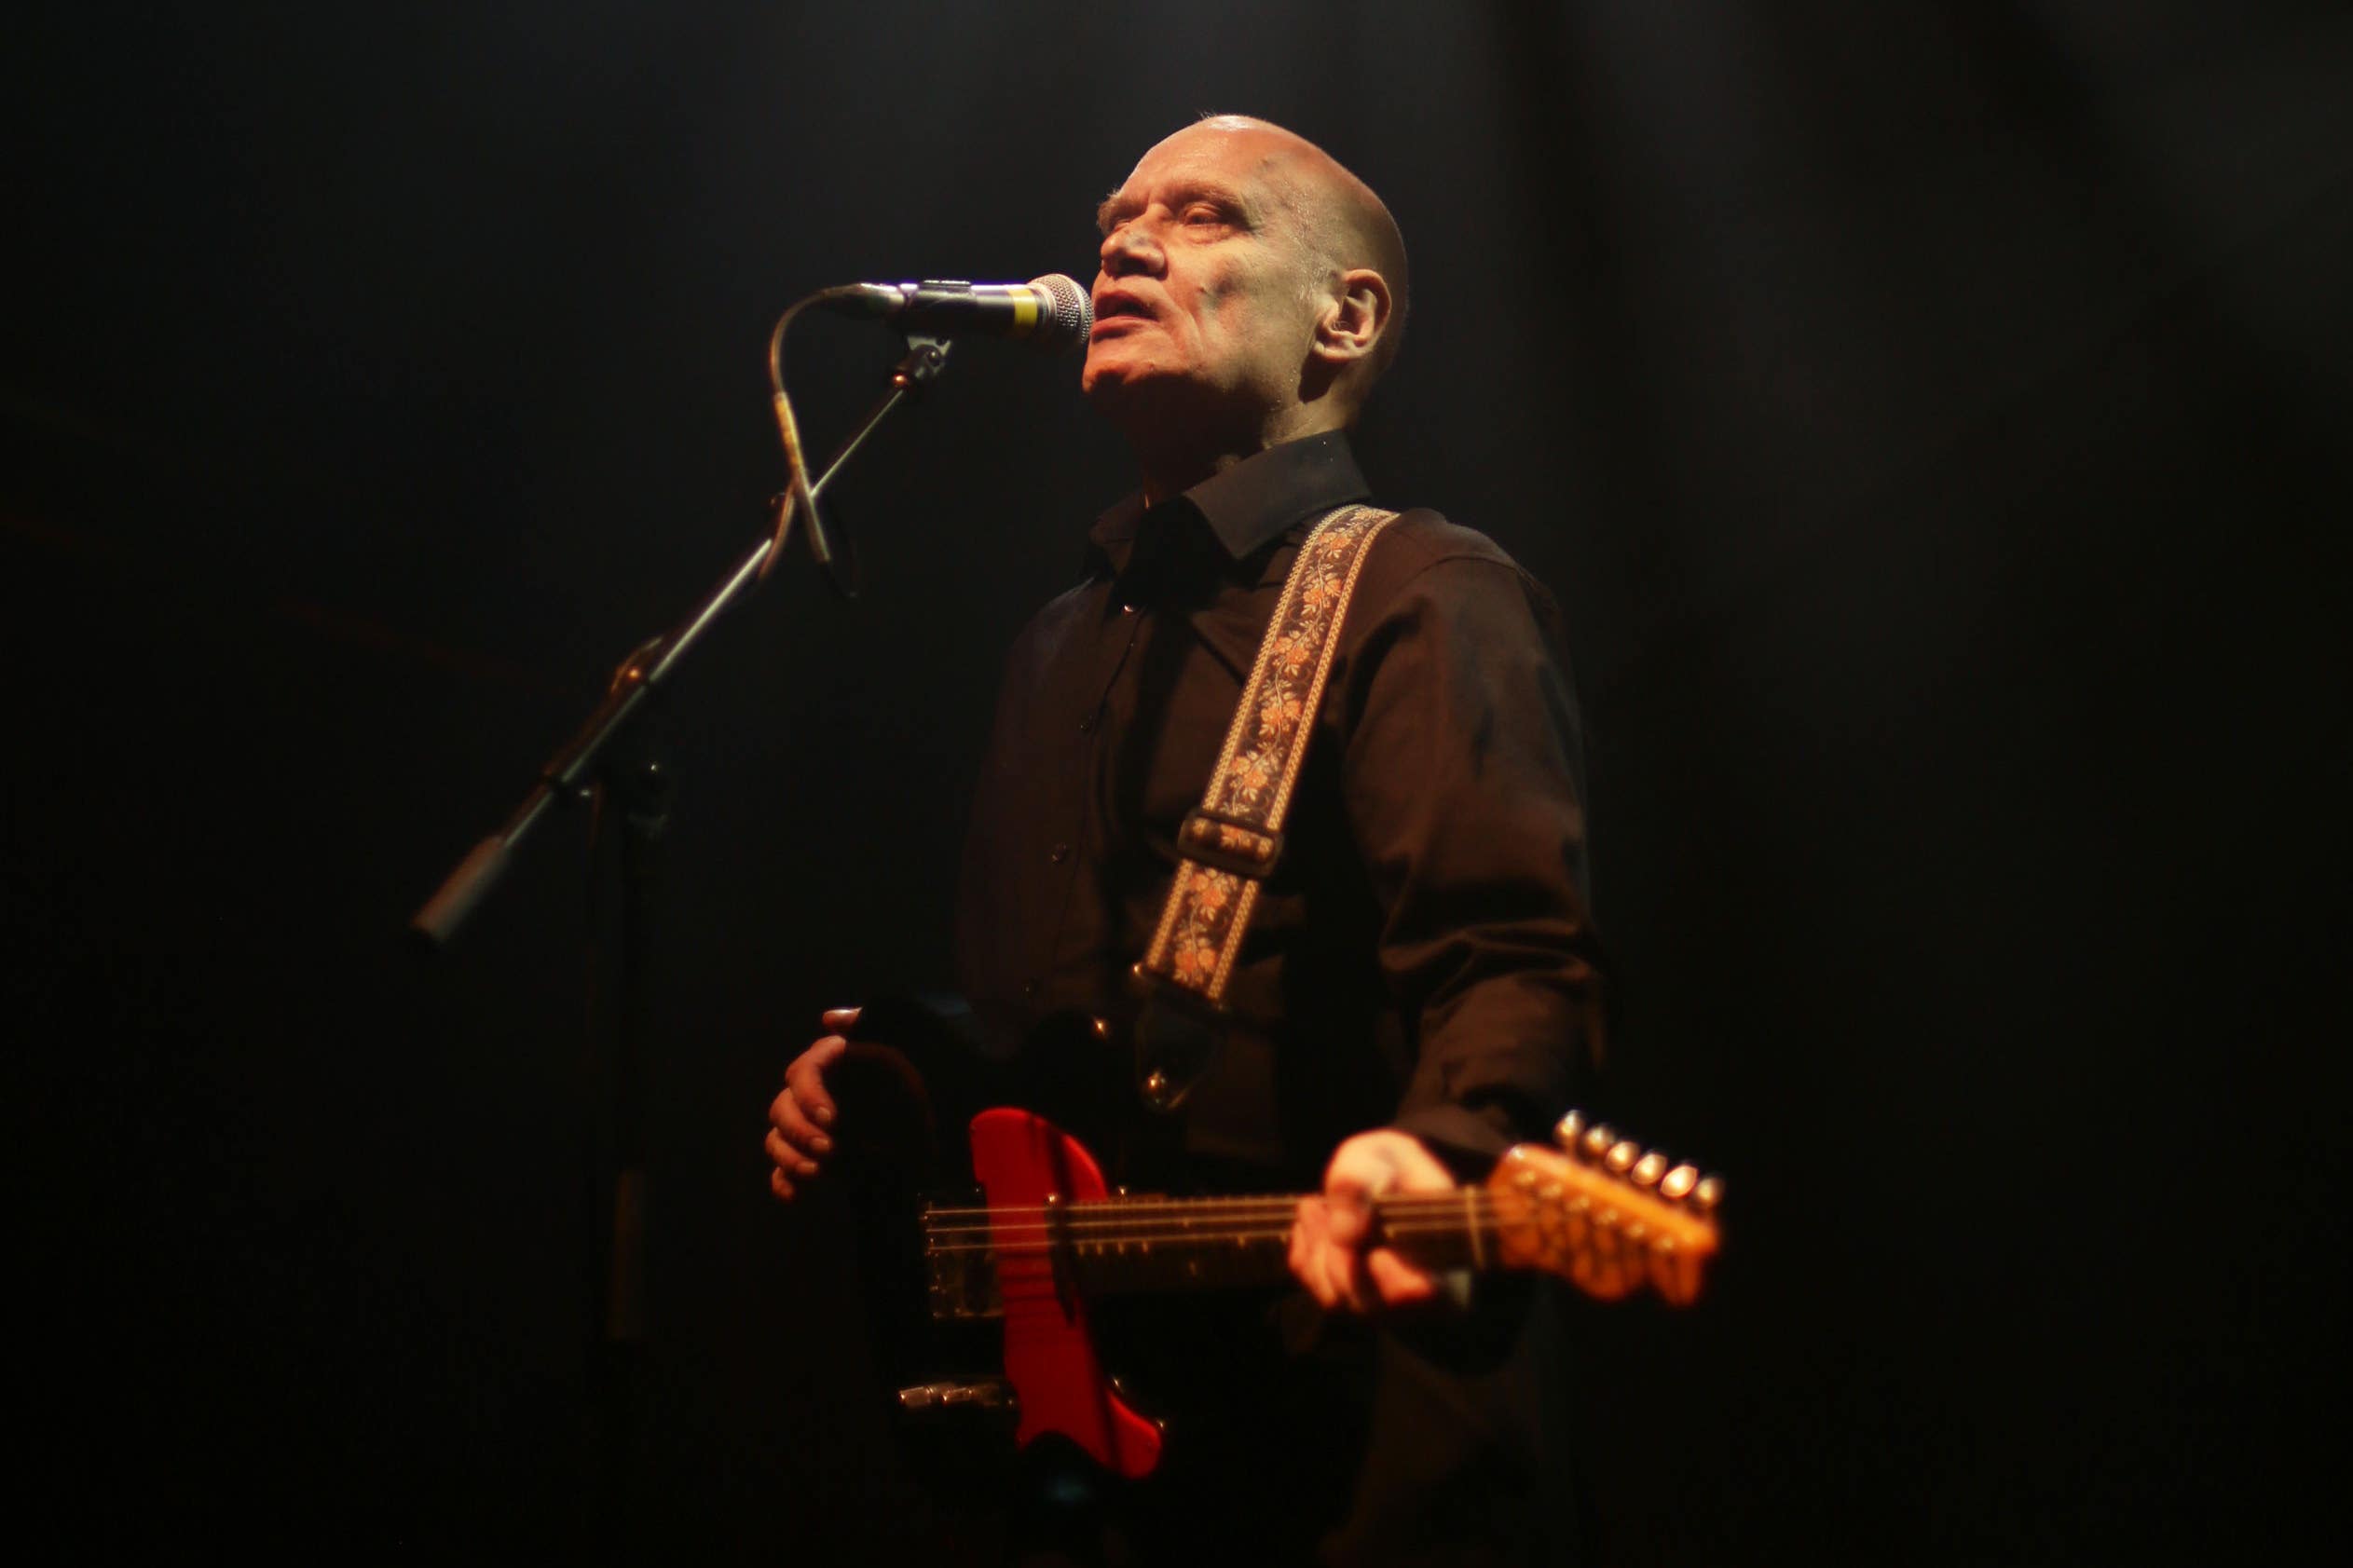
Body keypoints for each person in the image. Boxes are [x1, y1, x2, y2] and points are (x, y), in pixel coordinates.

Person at [767, 116, 1607, 1565]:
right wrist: (891, 1072)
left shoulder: (1422, 592)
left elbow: (1514, 956)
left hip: (1329, 1433)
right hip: (1078, 1439)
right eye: (1117, 217)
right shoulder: (1056, 641)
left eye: (1205, 215)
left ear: (1342, 319)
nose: (1126, 243)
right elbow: (1040, 1030)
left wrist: (1446, 1146)